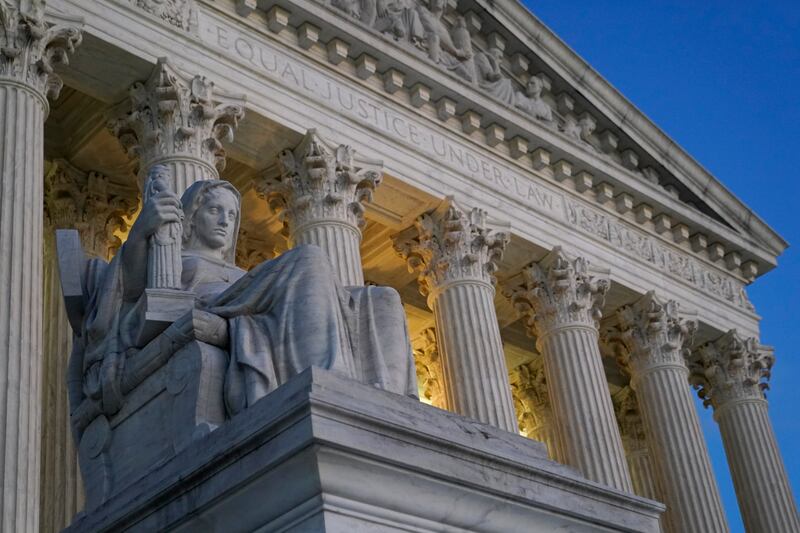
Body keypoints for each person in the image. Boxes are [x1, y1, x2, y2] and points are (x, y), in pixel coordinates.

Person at [73, 168, 416, 420]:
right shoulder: (171, 258)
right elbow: (130, 294)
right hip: (216, 307)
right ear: (190, 218)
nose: (225, 221)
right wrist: (141, 234)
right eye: (214, 210)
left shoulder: (243, 274)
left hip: (254, 309)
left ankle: (391, 408)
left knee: (383, 299)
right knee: (309, 258)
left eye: (232, 214)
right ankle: (333, 388)